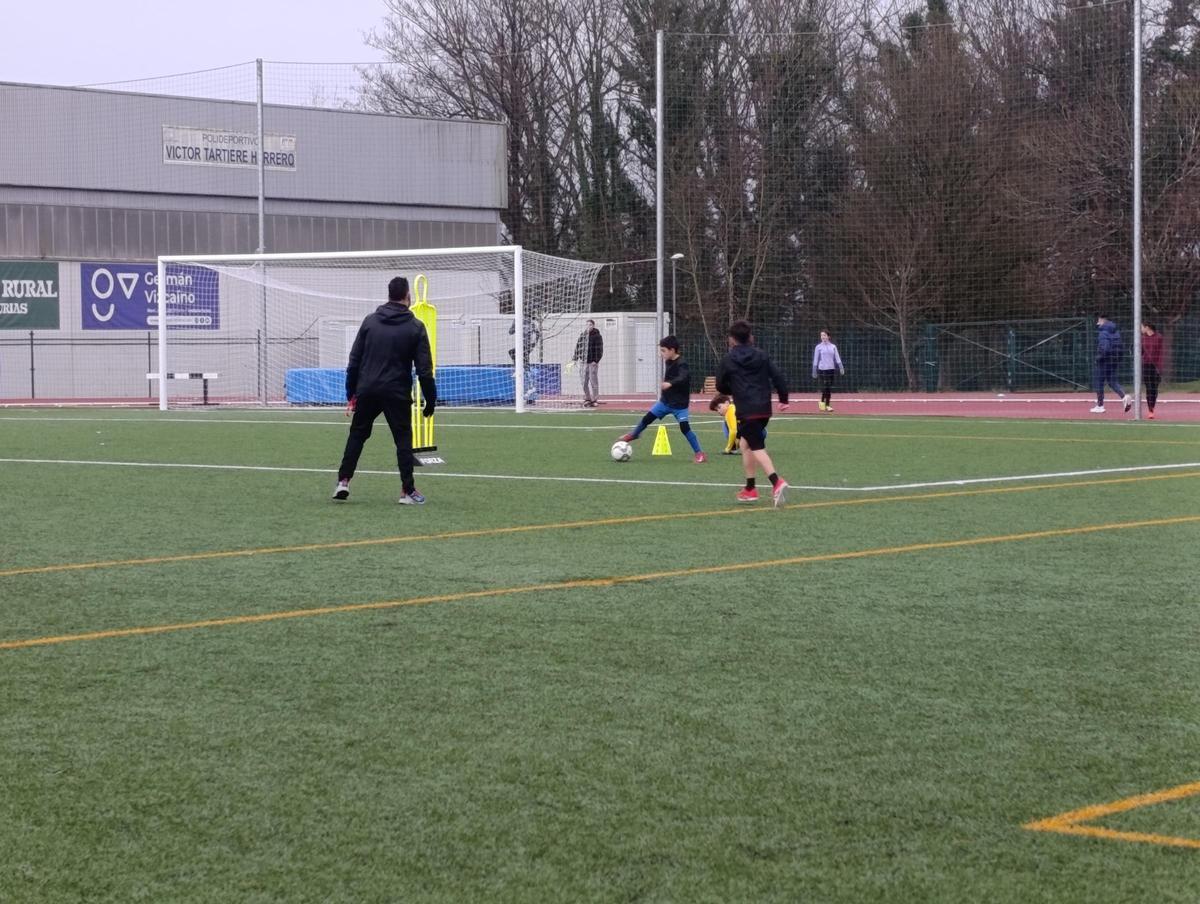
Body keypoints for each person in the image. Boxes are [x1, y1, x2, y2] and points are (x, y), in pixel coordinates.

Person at [332, 276, 436, 505]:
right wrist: (431, 400)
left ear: (388, 295)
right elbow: (425, 370)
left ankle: (343, 481)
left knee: (357, 434)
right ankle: (407, 491)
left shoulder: (370, 322)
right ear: (408, 296)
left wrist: (351, 393)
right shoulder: (416, 327)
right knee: (402, 439)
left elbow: (354, 361)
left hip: (367, 388)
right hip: (396, 391)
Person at [716, 320, 790, 506]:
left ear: (731, 340)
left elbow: (720, 385)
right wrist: (783, 399)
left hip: (746, 410)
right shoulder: (762, 356)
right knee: (745, 444)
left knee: (756, 446)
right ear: (750, 337)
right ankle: (750, 489)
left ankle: (776, 482)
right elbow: (778, 376)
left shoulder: (728, 359)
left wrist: (732, 387)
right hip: (764, 409)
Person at [619, 336, 707, 463]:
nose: (661, 354)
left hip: (680, 405)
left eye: (663, 351)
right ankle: (634, 434)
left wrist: (670, 383)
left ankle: (699, 453)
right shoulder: (668, 360)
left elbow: (683, 377)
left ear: (672, 350)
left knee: (685, 428)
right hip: (665, 401)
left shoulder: (682, 363)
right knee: (647, 419)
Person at [1091, 314, 1131, 414]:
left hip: (1104, 361)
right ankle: (1124, 396)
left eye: (1099, 321)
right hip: (1114, 360)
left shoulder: (1103, 333)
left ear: (1101, 320)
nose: (1098, 323)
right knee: (1112, 382)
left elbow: (1105, 348)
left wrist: (1098, 358)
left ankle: (1100, 405)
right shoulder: (1116, 332)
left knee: (1099, 382)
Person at [811, 329, 845, 412]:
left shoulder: (833, 346)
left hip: (831, 369)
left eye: (824, 335)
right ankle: (827, 405)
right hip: (822, 369)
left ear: (828, 336)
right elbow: (815, 359)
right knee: (826, 386)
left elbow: (837, 357)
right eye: (821, 335)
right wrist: (814, 370)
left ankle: (822, 403)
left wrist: (841, 367)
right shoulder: (818, 347)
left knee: (828, 388)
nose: (823, 337)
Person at [573, 319, 604, 407]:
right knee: (584, 381)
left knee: (593, 381)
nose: (588, 326)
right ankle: (587, 398)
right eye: (587, 325)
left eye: (590, 325)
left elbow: (600, 349)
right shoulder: (582, 336)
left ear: (593, 325)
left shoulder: (597, 336)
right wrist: (575, 358)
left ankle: (594, 399)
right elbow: (578, 347)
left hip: (592, 362)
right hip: (583, 362)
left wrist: (596, 360)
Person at [1141, 321, 1164, 419]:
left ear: (1148, 327)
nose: (1141, 329)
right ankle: (1150, 410)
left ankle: (1152, 406)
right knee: (1148, 387)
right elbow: (1140, 352)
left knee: (1154, 388)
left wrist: (1160, 367)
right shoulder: (1142, 338)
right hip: (1146, 365)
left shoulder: (1159, 337)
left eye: (1142, 327)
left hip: (1155, 366)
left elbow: (1161, 352)